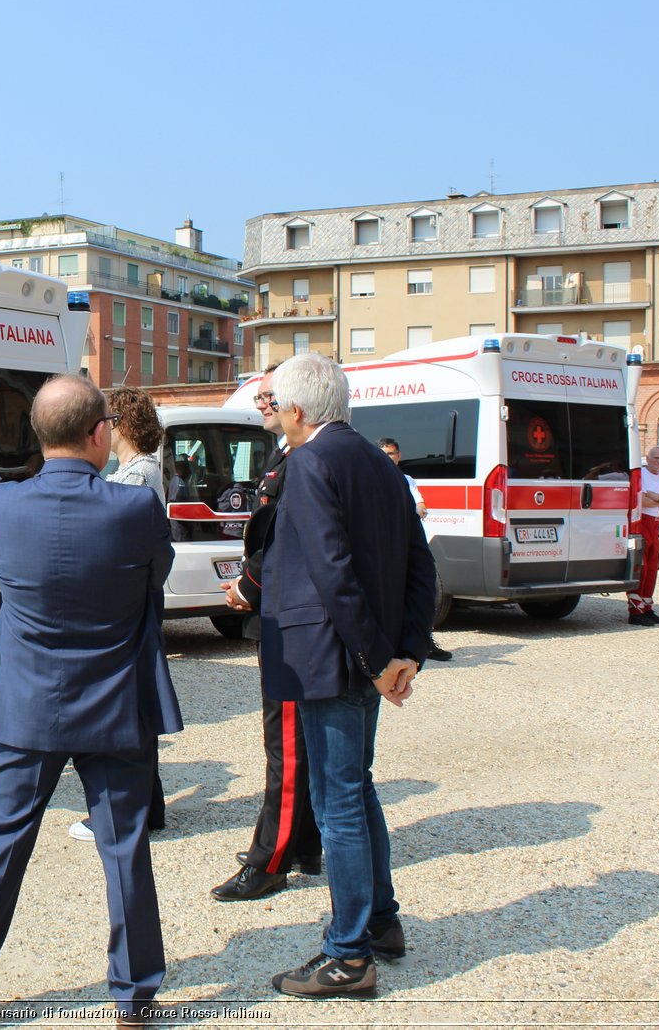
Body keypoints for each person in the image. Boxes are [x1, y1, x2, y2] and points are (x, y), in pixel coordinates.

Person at [0, 376, 181, 1026]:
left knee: (1, 842)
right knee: (124, 846)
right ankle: (133, 995)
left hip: (28, 698)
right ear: (100, 434)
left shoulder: (9, 505)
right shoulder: (134, 509)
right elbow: (155, 575)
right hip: (115, 699)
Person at [259, 353, 435, 999]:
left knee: (336, 803)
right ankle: (380, 920)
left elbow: (333, 570)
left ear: (298, 411)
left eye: (276, 405)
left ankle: (349, 951)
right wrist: (404, 652)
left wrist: (378, 658)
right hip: (366, 656)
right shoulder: (380, 464)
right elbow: (423, 565)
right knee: (356, 789)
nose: (275, 416)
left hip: (333, 657)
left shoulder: (309, 461)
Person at [212, 368, 322, 902]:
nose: (261, 402)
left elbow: (279, 541)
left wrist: (247, 589)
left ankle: (271, 857)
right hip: (293, 616)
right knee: (299, 743)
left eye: (269, 396)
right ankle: (303, 841)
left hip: (293, 620)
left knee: (288, 747)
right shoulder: (293, 452)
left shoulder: (304, 458)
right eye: (259, 395)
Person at [68, 386, 167, 842]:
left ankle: (132, 811)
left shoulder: (137, 476)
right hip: (136, 600)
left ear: (119, 424)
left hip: (129, 603)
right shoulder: (136, 470)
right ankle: (148, 806)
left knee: (128, 710)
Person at [378, 438, 451, 663]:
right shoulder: (374, 479)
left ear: (399, 456)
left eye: (392, 453)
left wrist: (413, 509)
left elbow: (420, 506)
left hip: (409, 545)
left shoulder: (407, 481)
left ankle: (424, 640)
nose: (389, 458)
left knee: (422, 592)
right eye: (384, 454)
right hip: (386, 547)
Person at [628, 446, 659, 626]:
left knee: (653, 567)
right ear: (647, 458)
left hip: (656, 523)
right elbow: (640, 500)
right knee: (642, 566)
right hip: (642, 522)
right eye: (655, 458)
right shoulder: (640, 474)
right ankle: (635, 610)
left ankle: (647, 607)